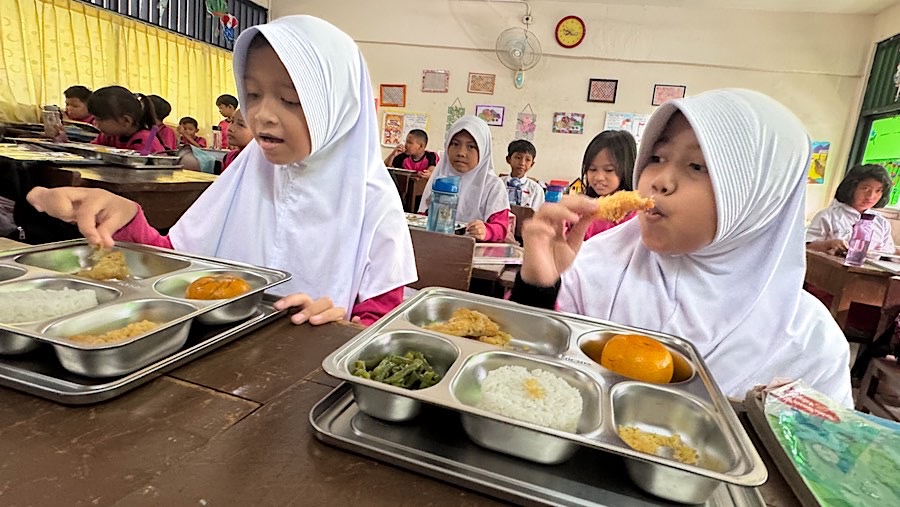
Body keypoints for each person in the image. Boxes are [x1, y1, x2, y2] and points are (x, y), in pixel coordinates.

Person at [27, 15, 417, 326]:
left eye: (289, 99)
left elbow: (379, 323)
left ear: (338, 107)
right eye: (252, 94)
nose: (262, 114)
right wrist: (127, 215)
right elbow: (182, 263)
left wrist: (338, 325)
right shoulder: (250, 168)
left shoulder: (372, 200)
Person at [510, 89, 852, 406]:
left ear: (761, 196)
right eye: (657, 157)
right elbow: (518, 374)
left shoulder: (810, 343)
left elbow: (824, 456)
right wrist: (537, 287)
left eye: (696, 166)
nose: (660, 180)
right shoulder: (592, 265)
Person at [419, 116, 509, 242]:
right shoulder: (440, 177)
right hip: (436, 245)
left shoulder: (492, 185)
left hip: (474, 251)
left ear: (483, 150)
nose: (461, 152)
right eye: (455, 144)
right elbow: (422, 217)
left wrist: (486, 231)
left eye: (471, 147)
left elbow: (501, 227)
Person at [806, 164, 896, 255]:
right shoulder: (828, 216)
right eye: (865, 189)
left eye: (878, 191)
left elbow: (889, 251)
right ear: (851, 187)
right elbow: (806, 245)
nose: (871, 196)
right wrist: (828, 244)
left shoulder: (882, 223)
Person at [580, 130, 638, 240]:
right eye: (592, 169)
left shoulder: (636, 217)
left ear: (627, 169)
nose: (599, 177)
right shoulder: (582, 208)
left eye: (608, 170)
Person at [87, 86, 165, 154]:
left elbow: (138, 165)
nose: (95, 123)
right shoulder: (110, 135)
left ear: (126, 121)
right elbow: (91, 149)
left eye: (100, 119)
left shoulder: (145, 140)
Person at [500, 140, 544, 209]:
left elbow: (537, 215)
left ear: (532, 164)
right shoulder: (497, 183)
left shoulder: (536, 189)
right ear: (508, 159)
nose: (522, 163)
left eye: (528, 160)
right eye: (518, 158)